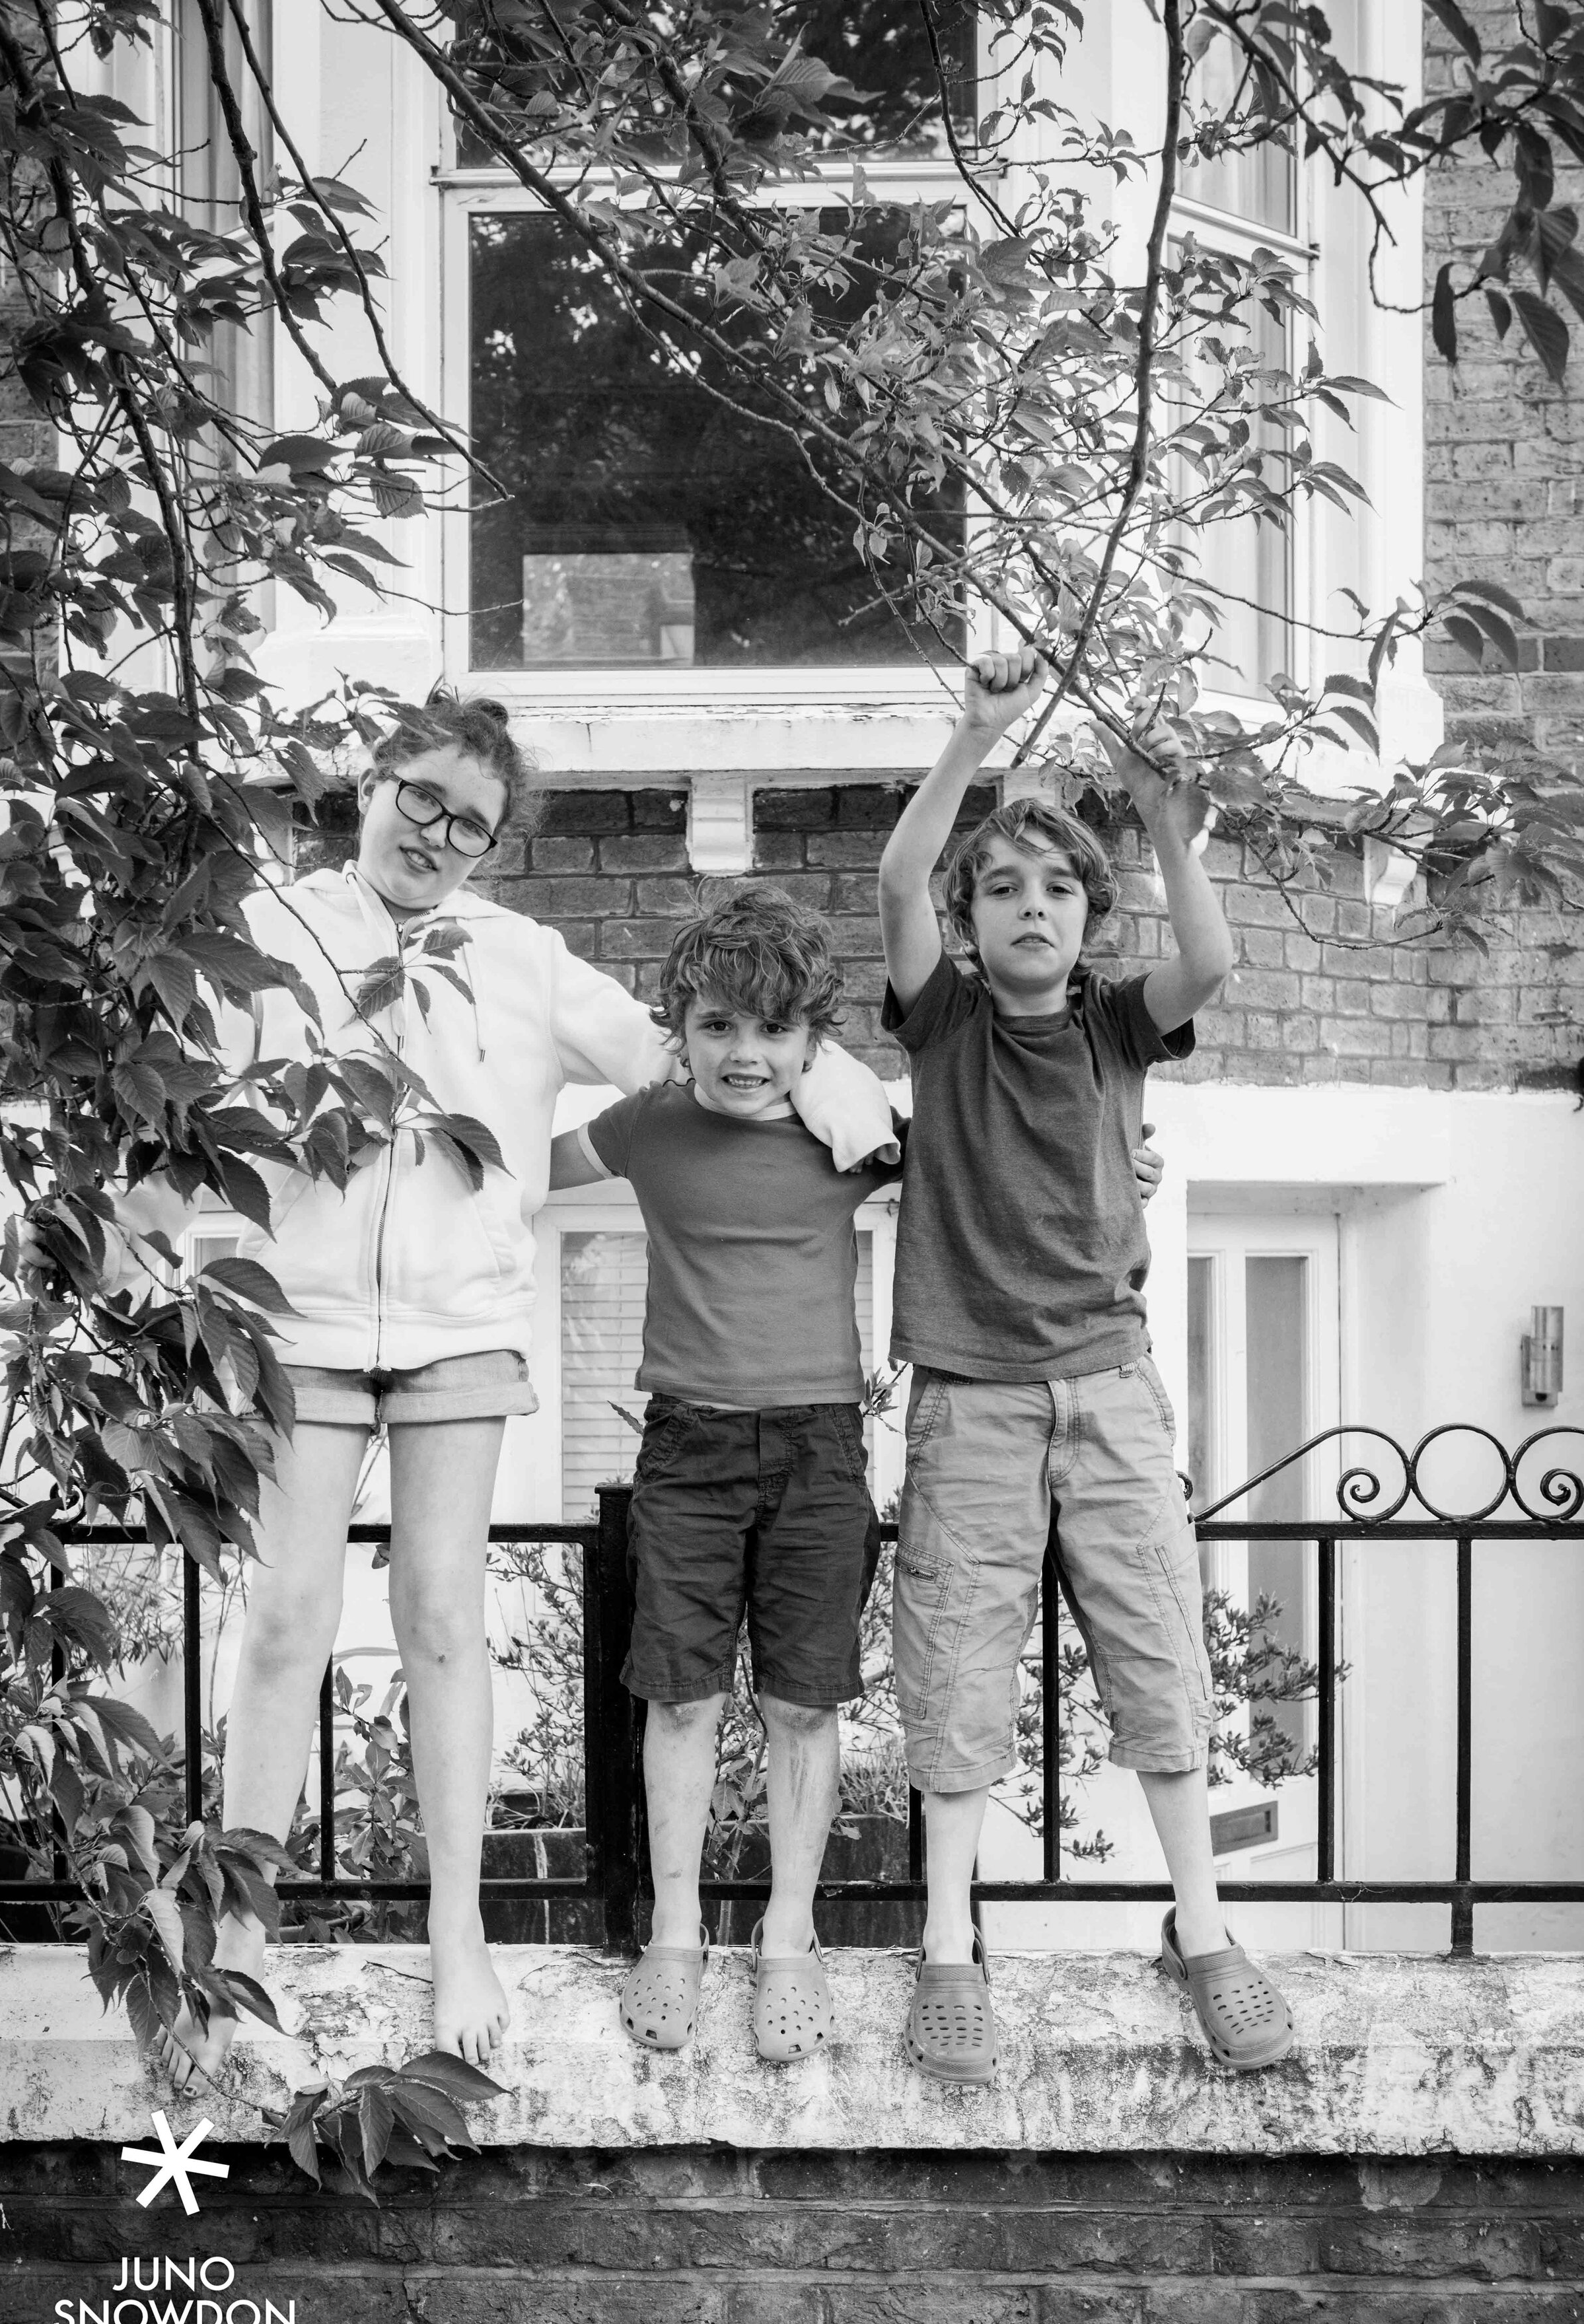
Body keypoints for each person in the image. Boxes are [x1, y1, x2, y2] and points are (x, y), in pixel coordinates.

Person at [103, 699, 888, 2086]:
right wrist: (130, 1244)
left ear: (492, 840)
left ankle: (459, 1932)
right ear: (373, 782)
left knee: (441, 1620)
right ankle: (238, 1938)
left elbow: (690, 1046)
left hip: (459, 1333)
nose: (436, 833)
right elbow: (194, 1120)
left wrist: (833, 1076)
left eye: (469, 820)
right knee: (281, 1619)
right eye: (421, 796)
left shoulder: (520, 958)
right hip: (303, 1325)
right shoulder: (275, 933)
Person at [548, 881, 1167, 2063]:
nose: (744, 1054)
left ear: (811, 1038)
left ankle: (789, 1937)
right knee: (679, 1693)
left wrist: (1117, 1165)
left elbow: (1003, 1171)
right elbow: (522, 1171)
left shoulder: (859, 1136)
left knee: (803, 1701)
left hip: (821, 1447)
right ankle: (675, 1932)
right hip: (687, 1446)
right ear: (681, 1025)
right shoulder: (644, 1126)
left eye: (773, 1032)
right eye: (718, 1025)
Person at [877, 646, 1295, 2082]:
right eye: (1001, 888)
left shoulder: (1120, 1023)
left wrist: (1161, 818)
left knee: (1158, 1662)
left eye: (1057, 888)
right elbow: (892, 886)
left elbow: (1212, 960)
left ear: (1087, 915)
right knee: (953, 1668)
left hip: (1109, 1389)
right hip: (970, 1397)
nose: (1029, 906)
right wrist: (975, 741)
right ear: (971, 918)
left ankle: (1202, 1929)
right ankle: (948, 1943)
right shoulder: (941, 1023)